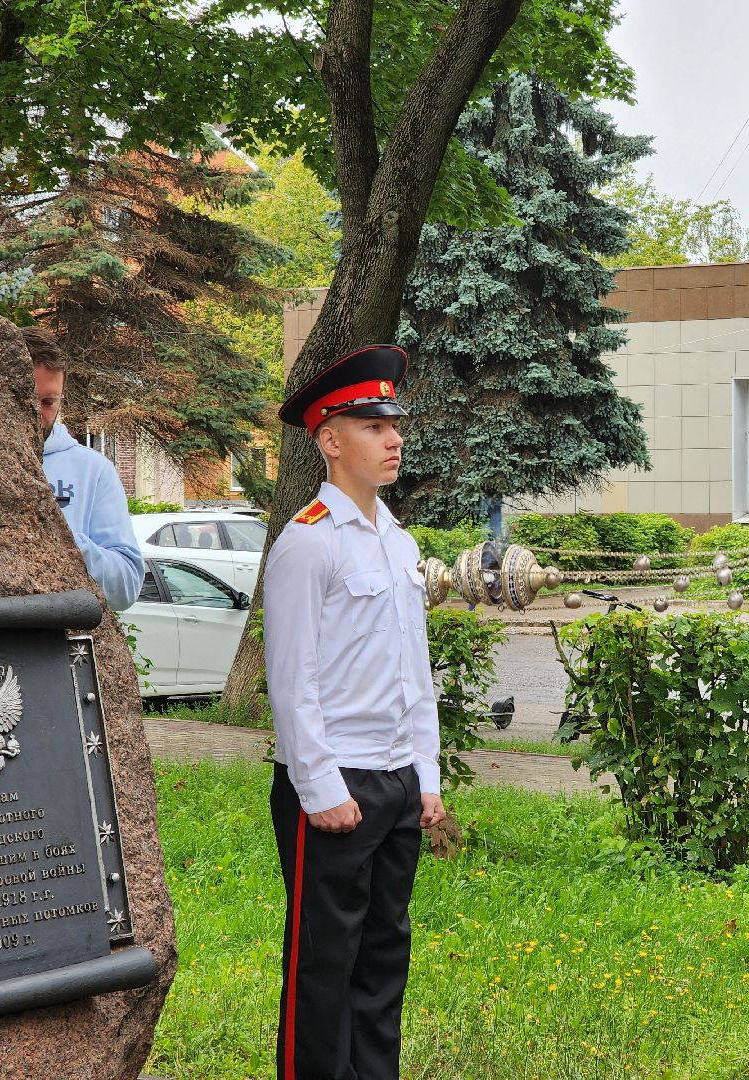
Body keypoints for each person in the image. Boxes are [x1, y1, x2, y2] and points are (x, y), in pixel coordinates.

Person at [262, 343, 447, 1080]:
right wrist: (321, 787)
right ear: (330, 440)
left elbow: (413, 674)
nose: (392, 437)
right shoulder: (309, 542)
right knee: (323, 969)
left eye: (393, 422)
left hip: (396, 782)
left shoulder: (396, 541)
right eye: (372, 425)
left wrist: (425, 776)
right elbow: (291, 676)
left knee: (382, 964)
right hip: (336, 786)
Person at [24, 326, 143, 611]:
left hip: (60, 642)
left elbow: (126, 587)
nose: (38, 412)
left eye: (48, 402)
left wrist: (66, 540)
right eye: (29, 399)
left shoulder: (92, 469)